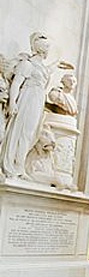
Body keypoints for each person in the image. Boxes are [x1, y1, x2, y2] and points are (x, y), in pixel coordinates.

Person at [2, 33, 52, 177]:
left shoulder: (42, 67)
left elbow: (47, 73)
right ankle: (16, 165)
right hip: (28, 99)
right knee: (23, 132)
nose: (48, 50)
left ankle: (20, 164)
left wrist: (57, 64)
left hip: (38, 100)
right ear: (41, 49)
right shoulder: (27, 64)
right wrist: (12, 103)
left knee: (31, 133)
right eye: (47, 47)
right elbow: (16, 84)